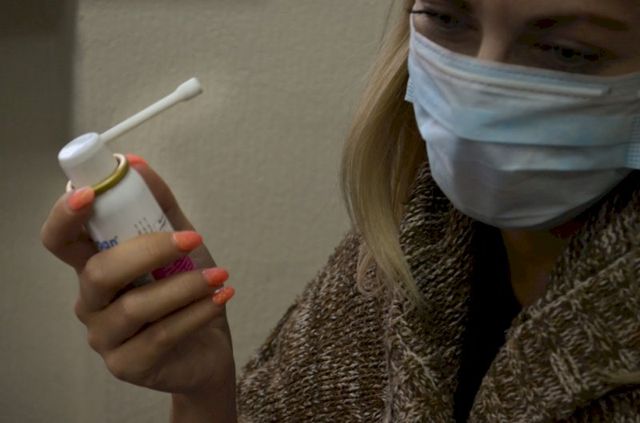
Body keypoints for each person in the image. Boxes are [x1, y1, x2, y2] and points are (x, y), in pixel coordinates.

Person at [41, 0, 640, 421]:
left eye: (569, 51)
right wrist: (202, 391)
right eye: (445, 18)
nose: (479, 93)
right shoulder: (400, 256)